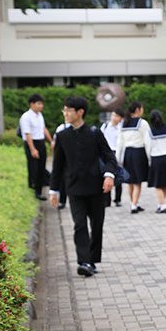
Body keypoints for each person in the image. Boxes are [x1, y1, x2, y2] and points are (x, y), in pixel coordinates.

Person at [49, 97, 117, 278]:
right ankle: (84, 261)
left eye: (68, 110)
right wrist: (53, 190)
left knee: (96, 225)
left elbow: (110, 157)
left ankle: (92, 259)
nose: (65, 113)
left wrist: (109, 176)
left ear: (80, 112)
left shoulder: (95, 133)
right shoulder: (62, 136)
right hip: (74, 189)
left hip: (96, 188)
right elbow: (57, 166)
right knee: (79, 225)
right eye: (64, 110)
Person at [116, 101, 151, 213]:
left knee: (130, 181)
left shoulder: (123, 123)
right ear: (137, 110)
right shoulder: (142, 123)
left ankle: (133, 202)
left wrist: (118, 159)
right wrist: (149, 157)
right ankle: (134, 205)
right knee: (137, 181)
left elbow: (119, 143)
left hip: (127, 153)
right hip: (139, 153)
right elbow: (147, 141)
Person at [19, 93, 53, 199]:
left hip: (41, 142)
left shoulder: (40, 115)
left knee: (41, 166)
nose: (41, 106)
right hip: (31, 143)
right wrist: (33, 149)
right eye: (39, 104)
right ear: (32, 104)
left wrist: (51, 141)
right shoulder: (26, 117)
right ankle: (35, 191)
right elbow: (27, 134)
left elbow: (43, 129)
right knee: (34, 167)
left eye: (42, 104)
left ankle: (39, 187)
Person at [147, 110, 166, 214]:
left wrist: (149, 160)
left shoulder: (149, 132)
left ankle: (163, 206)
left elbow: (148, 147)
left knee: (158, 184)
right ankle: (161, 203)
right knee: (164, 183)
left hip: (156, 159)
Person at [100, 108, 125, 207]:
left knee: (118, 176)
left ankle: (118, 199)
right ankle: (107, 200)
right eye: (113, 115)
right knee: (107, 175)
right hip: (107, 153)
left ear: (121, 118)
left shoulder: (122, 128)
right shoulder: (105, 126)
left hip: (117, 152)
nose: (114, 118)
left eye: (116, 116)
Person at [51, 115, 71, 209]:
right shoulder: (61, 128)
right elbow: (54, 143)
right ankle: (62, 201)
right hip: (64, 157)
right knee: (63, 180)